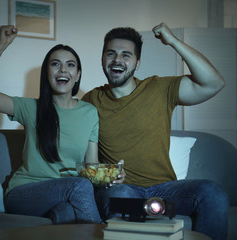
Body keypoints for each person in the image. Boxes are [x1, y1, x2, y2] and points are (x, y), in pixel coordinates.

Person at [82, 22, 229, 240]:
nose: (117, 60)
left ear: (137, 63)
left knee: (212, 193)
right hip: (123, 189)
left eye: (126, 55)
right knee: (121, 197)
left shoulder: (159, 88)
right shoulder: (91, 101)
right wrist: (105, 175)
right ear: (102, 59)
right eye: (111, 54)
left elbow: (214, 83)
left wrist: (174, 42)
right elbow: (85, 158)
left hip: (165, 189)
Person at [0, 25, 101, 224]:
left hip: (65, 194)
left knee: (66, 213)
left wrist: (109, 177)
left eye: (70, 65)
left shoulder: (90, 113)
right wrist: (1, 46)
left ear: (78, 75)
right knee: (80, 187)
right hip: (25, 193)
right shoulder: (30, 108)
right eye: (55, 64)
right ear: (47, 72)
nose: (63, 69)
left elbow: (92, 166)